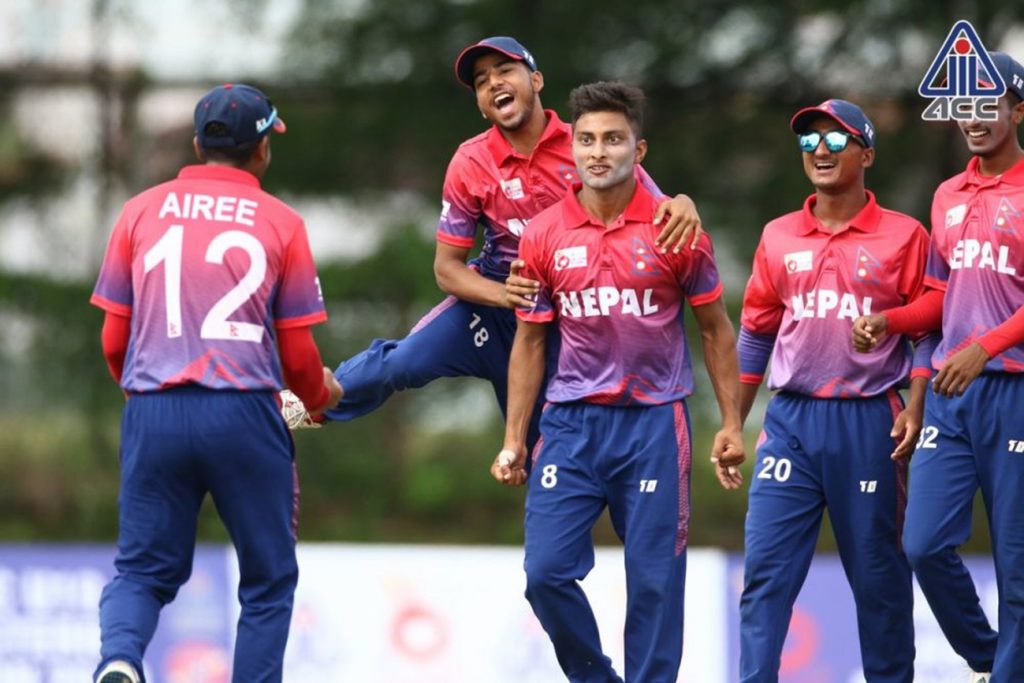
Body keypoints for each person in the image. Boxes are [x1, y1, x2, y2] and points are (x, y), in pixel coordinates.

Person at [281, 37, 703, 453]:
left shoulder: (585, 142)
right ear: (482, 105)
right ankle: (304, 404)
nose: (494, 83)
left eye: (505, 71)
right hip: (494, 302)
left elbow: (657, 207)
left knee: (545, 452)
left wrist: (681, 203)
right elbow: (447, 269)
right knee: (404, 360)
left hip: (564, 318)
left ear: (535, 80)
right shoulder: (471, 161)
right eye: (482, 81)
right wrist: (504, 295)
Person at [491, 80, 744, 683]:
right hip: (572, 425)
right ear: (572, 150)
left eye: (612, 139)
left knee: (655, 583)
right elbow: (529, 341)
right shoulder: (544, 233)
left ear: (640, 149)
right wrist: (513, 438)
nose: (597, 152)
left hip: (655, 423)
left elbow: (715, 329)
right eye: (585, 140)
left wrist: (733, 422)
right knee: (546, 575)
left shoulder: (675, 231)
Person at [89, 83, 342, 683]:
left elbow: (112, 342)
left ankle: (120, 659)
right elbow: (299, 356)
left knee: (141, 573)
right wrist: (317, 400)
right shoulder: (282, 223)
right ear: (261, 150)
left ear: (200, 143)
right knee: (268, 580)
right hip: (243, 416)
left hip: (154, 409)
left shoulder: (140, 212)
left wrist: (145, 398)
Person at [735, 99, 935, 682]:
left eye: (835, 140)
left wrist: (918, 403)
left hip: (871, 420)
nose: (819, 151)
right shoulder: (777, 236)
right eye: (808, 142)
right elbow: (755, 335)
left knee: (878, 582)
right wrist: (732, 423)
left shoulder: (905, 235)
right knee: (765, 578)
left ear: (866, 154)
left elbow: (928, 331)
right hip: (791, 422)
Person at [853, 51, 1024, 682]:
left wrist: (987, 346)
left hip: (1013, 389)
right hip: (951, 396)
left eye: (989, 104)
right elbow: (938, 296)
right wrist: (892, 323)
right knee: (922, 543)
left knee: (1017, 566)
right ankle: (989, 659)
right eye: (965, 107)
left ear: (1019, 110)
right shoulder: (948, 194)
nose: (974, 119)